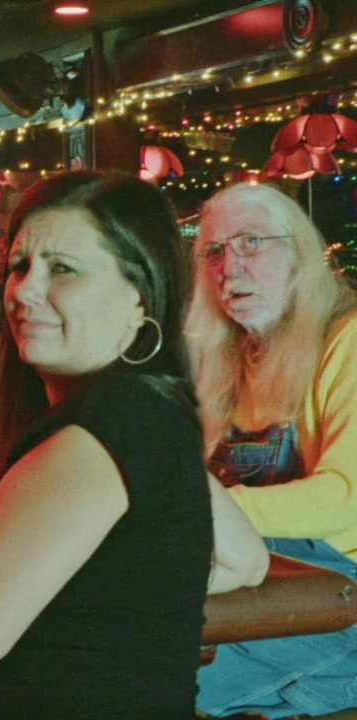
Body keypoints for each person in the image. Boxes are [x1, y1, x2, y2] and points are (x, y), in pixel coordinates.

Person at [0, 172, 267, 719]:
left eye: (63, 270)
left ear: (139, 298)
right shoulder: (144, 412)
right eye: (20, 266)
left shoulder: (97, 433)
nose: (24, 291)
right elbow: (245, 560)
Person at [187, 182, 357, 720]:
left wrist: (199, 512)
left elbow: (346, 498)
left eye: (251, 242)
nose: (229, 267)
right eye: (214, 250)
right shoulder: (228, 356)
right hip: (257, 586)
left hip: (338, 600)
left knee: (136, 677)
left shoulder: (347, 340)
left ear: (300, 255)